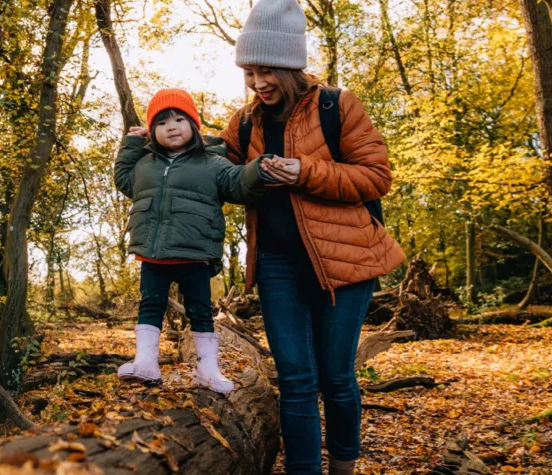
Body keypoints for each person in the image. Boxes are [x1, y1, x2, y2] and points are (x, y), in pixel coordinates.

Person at [218, 0, 407, 473]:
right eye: (248, 72)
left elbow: (376, 176)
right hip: (279, 265)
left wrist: (306, 171)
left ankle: (344, 465)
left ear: (289, 66)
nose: (257, 83)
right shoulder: (246, 120)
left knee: (337, 375)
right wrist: (159, 135)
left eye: (266, 71)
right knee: (296, 378)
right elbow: (216, 166)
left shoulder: (337, 105)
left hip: (345, 263)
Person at [113, 88, 273, 394]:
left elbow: (236, 184)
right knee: (150, 305)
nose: (171, 127)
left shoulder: (212, 161)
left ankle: (207, 370)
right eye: (161, 123)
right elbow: (123, 180)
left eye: (178, 119)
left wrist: (259, 169)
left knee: (200, 310)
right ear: (152, 131)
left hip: (195, 252)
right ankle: (145, 362)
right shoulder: (146, 163)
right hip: (153, 253)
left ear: (193, 125)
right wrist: (132, 143)